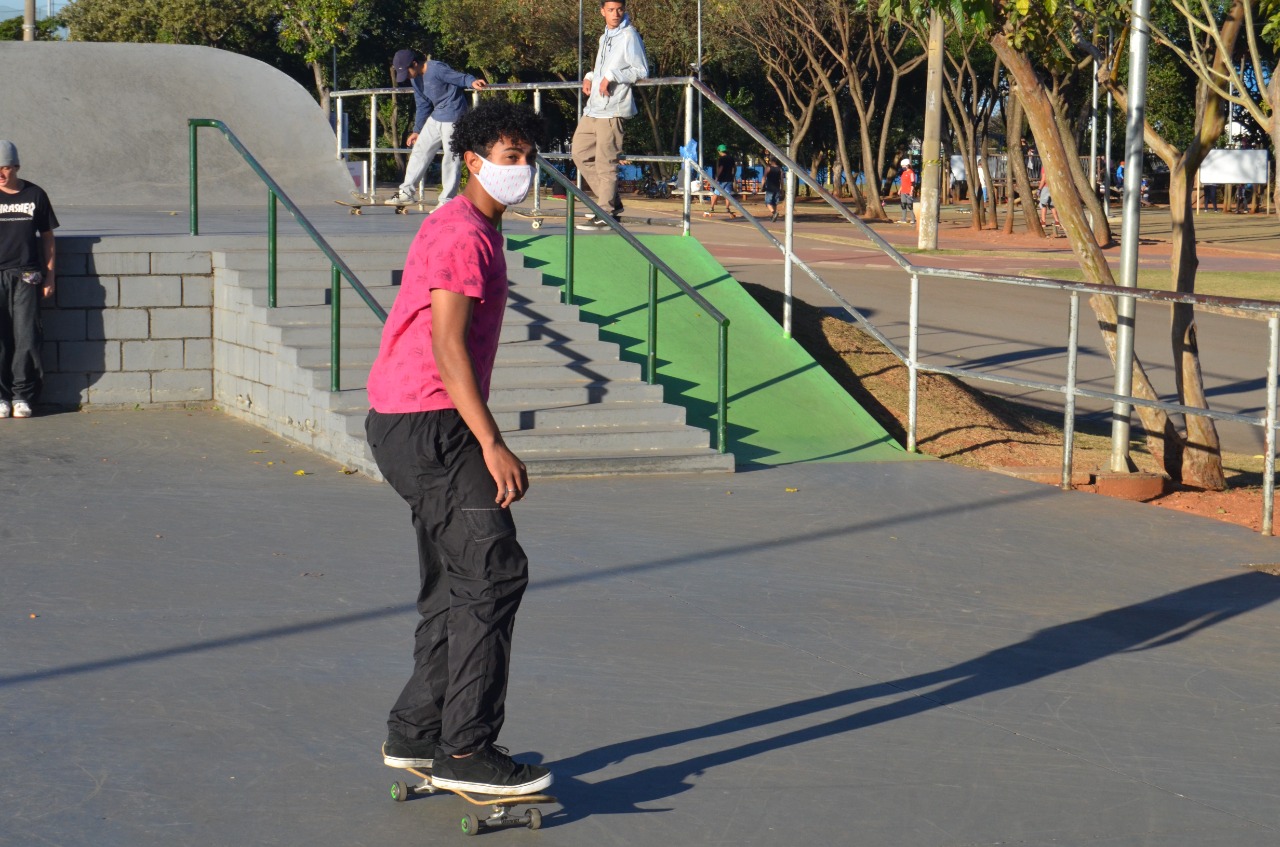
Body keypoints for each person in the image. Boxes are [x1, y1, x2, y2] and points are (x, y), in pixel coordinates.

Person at [364, 101, 553, 797]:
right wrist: (493, 442)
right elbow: (447, 346)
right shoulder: (462, 235)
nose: (523, 170)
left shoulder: (472, 226)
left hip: (409, 421)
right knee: (495, 571)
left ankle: (417, 730)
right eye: (509, 158)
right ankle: (466, 748)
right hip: (431, 423)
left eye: (528, 156)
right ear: (472, 161)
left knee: (457, 581)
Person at [571, 0, 648, 231]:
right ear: (602, 12)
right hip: (593, 108)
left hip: (613, 110)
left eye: (620, 10)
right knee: (579, 152)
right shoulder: (605, 37)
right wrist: (590, 75)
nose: (615, 14)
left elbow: (641, 70)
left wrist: (612, 75)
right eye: (611, 10)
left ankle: (605, 212)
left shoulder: (629, 36)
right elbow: (603, 66)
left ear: (624, 10)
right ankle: (611, 201)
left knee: (606, 163)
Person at [386, 50, 488, 209]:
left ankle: (446, 201)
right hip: (436, 117)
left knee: (451, 158)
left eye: (407, 72)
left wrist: (472, 82)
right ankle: (406, 193)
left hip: (454, 117)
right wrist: (417, 130)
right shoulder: (415, 79)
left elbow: (459, 77)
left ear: (415, 63)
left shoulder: (436, 69)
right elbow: (423, 105)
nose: (407, 76)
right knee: (420, 150)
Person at [0, 140, 57, 420]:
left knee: (27, 337)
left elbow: (47, 238)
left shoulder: (35, 195)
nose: (0, 174)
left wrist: (50, 276)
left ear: (16, 167)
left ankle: (22, 395)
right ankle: (0, 396)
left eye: (5, 168)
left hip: (27, 274)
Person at [704, 144, 738, 218]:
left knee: (716, 193)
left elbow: (721, 168)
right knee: (728, 194)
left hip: (722, 179)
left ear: (719, 151)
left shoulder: (721, 159)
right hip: (729, 178)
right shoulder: (731, 158)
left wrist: (717, 177)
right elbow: (735, 168)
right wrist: (733, 175)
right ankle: (727, 208)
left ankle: (712, 207)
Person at [763, 155, 783, 223]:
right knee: (774, 203)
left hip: (770, 188)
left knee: (768, 202)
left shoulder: (768, 168)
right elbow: (782, 180)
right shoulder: (780, 169)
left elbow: (764, 177)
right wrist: (782, 189)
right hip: (777, 188)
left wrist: (762, 185)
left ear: (771, 161)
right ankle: (774, 216)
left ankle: (774, 212)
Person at [896, 157, 916, 225]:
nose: (902, 167)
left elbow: (913, 183)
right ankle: (903, 219)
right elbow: (903, 183)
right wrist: (900, 190)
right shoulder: (903, 173)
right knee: (903, 205)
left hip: (908, 191)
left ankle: (913, 219)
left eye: (903, 166)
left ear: (907, 165)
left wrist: (911, 191)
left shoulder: (911, 173)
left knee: (910, 205)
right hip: (903, 191)